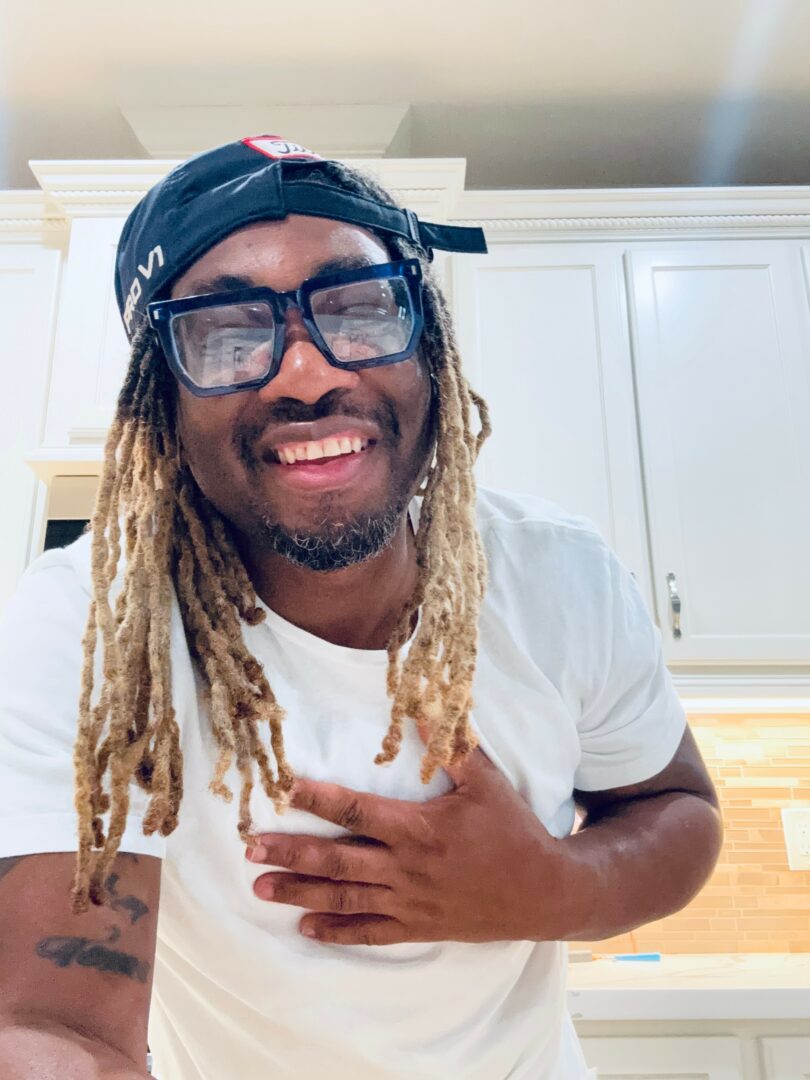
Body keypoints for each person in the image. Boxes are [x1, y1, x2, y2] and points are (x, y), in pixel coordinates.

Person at [0, 135, 722, 1080]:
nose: (307, 373)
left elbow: (679, 810)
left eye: (358, 307)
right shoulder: (93, 627)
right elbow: (59, 1023)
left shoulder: (558, 577)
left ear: (428, 342)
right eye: (226, 332)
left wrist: (550, 888)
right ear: (162, 399)